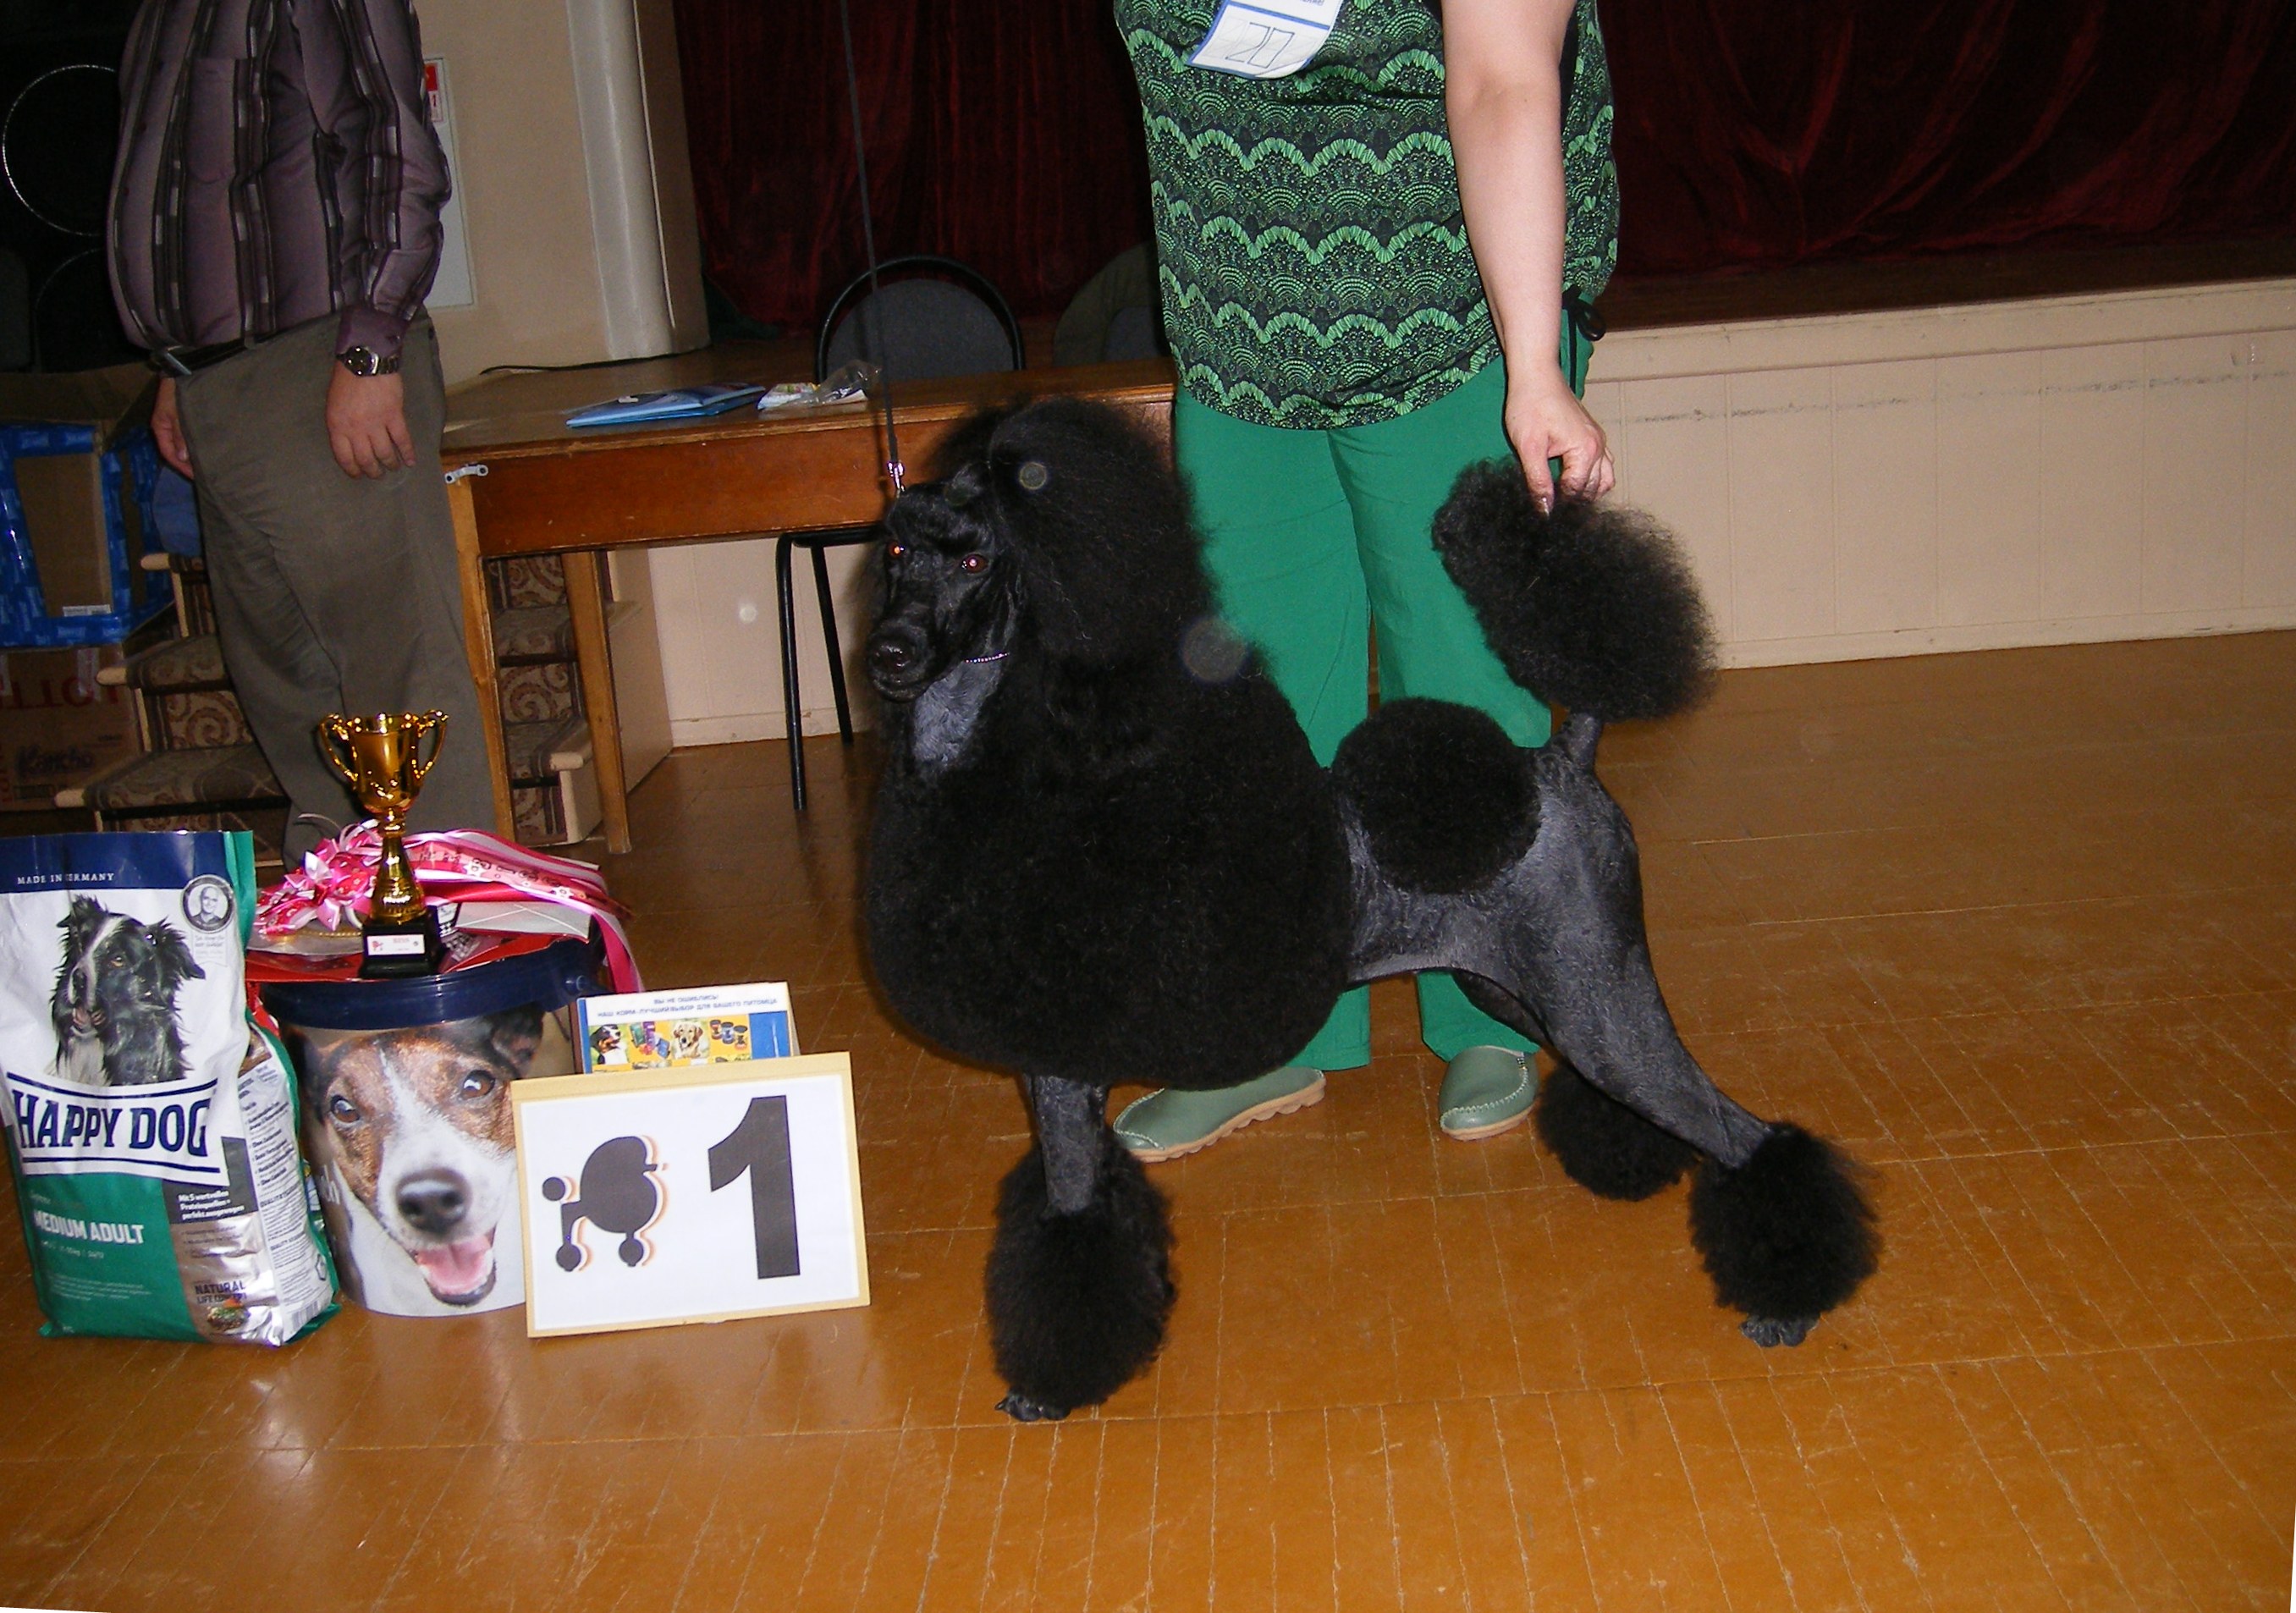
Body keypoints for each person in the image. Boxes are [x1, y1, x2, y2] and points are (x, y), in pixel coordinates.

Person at [1109, 0, 1620, 1159]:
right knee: (1253, 700)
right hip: (1235, 320)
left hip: (1448, 306)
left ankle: (1495, 1005)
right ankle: (1273, 1023)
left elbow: (1501, 82)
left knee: (1460, 675)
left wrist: (1533, 368)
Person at [107, 0, 497, 864]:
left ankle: (445, 927)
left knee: (397, 683)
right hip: (213, 383)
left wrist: (370, 352)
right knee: (289, 698)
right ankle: (344, 916)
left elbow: (394, 148)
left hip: (315, 365)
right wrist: (175, 369)